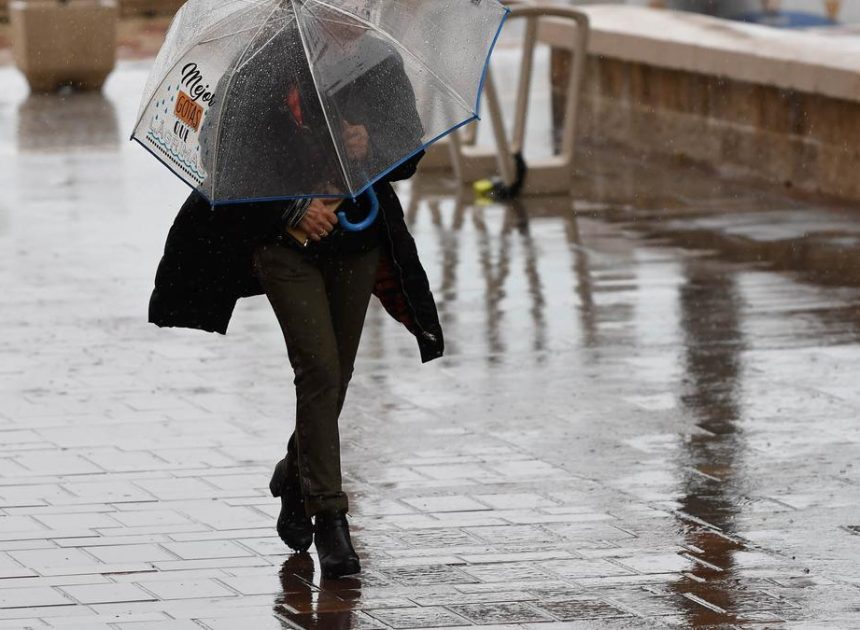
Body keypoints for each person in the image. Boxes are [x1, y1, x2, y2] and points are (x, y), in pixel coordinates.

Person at [148, 16, 444, 579]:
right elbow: (222, 155)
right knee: (318, 370)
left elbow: (407, 153)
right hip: (282, 242)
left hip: (355, 238)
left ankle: (295, 473)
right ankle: (330, 517)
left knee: (340, 372)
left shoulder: (377, 58)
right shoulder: (264, 60)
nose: (357, 9)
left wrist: (371, 144)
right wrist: (290, 210)